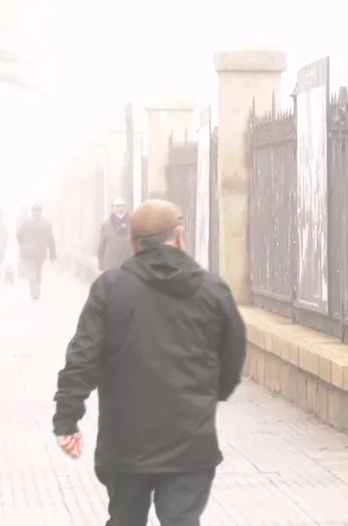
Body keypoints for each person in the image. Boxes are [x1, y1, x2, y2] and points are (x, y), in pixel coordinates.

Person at [53, 199, 246, 526]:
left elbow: (83, 357)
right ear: (180, 237)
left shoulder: (111, 288)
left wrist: (67, 419)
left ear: (133, 243)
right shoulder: (213, 291)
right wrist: (211, 394)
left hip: (126, 445)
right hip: (190, 440)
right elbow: (233, 354)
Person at [16, 203, 56, 300]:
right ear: (41, 212)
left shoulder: (26, 222)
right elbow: (51, 240)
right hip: (41, 252)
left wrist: (23, 244)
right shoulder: (47, 224)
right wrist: (52, 254)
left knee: (31, 271)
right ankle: (36, 289)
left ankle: (35, 291)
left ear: (32, 212)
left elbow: (18, 234)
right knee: (38, 269)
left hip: (28, 251)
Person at [97, 198, 134, 272]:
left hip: (130, 264)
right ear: (112, 208)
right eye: (117, 206)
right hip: (111, 265)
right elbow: (102, 246)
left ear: (126, 207)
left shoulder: (133, 223)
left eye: (122, 206)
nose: (120, 208)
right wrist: (101, 264)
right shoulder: (106, 225)